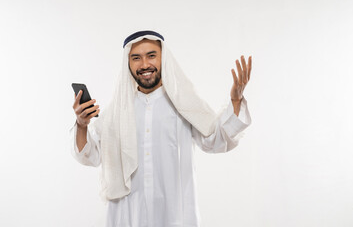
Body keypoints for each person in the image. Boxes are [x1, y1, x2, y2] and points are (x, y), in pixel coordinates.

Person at [70, 30, 252, 227]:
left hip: (176, 217)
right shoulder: (116, 112)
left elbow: (216, 140)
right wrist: (82, 124)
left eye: (151, 56)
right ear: (128, 63)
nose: (145, 64)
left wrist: (235, 100)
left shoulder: (184, 103)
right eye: (136, 58)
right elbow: (90, 155)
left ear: (163, 59)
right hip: (128, 217)